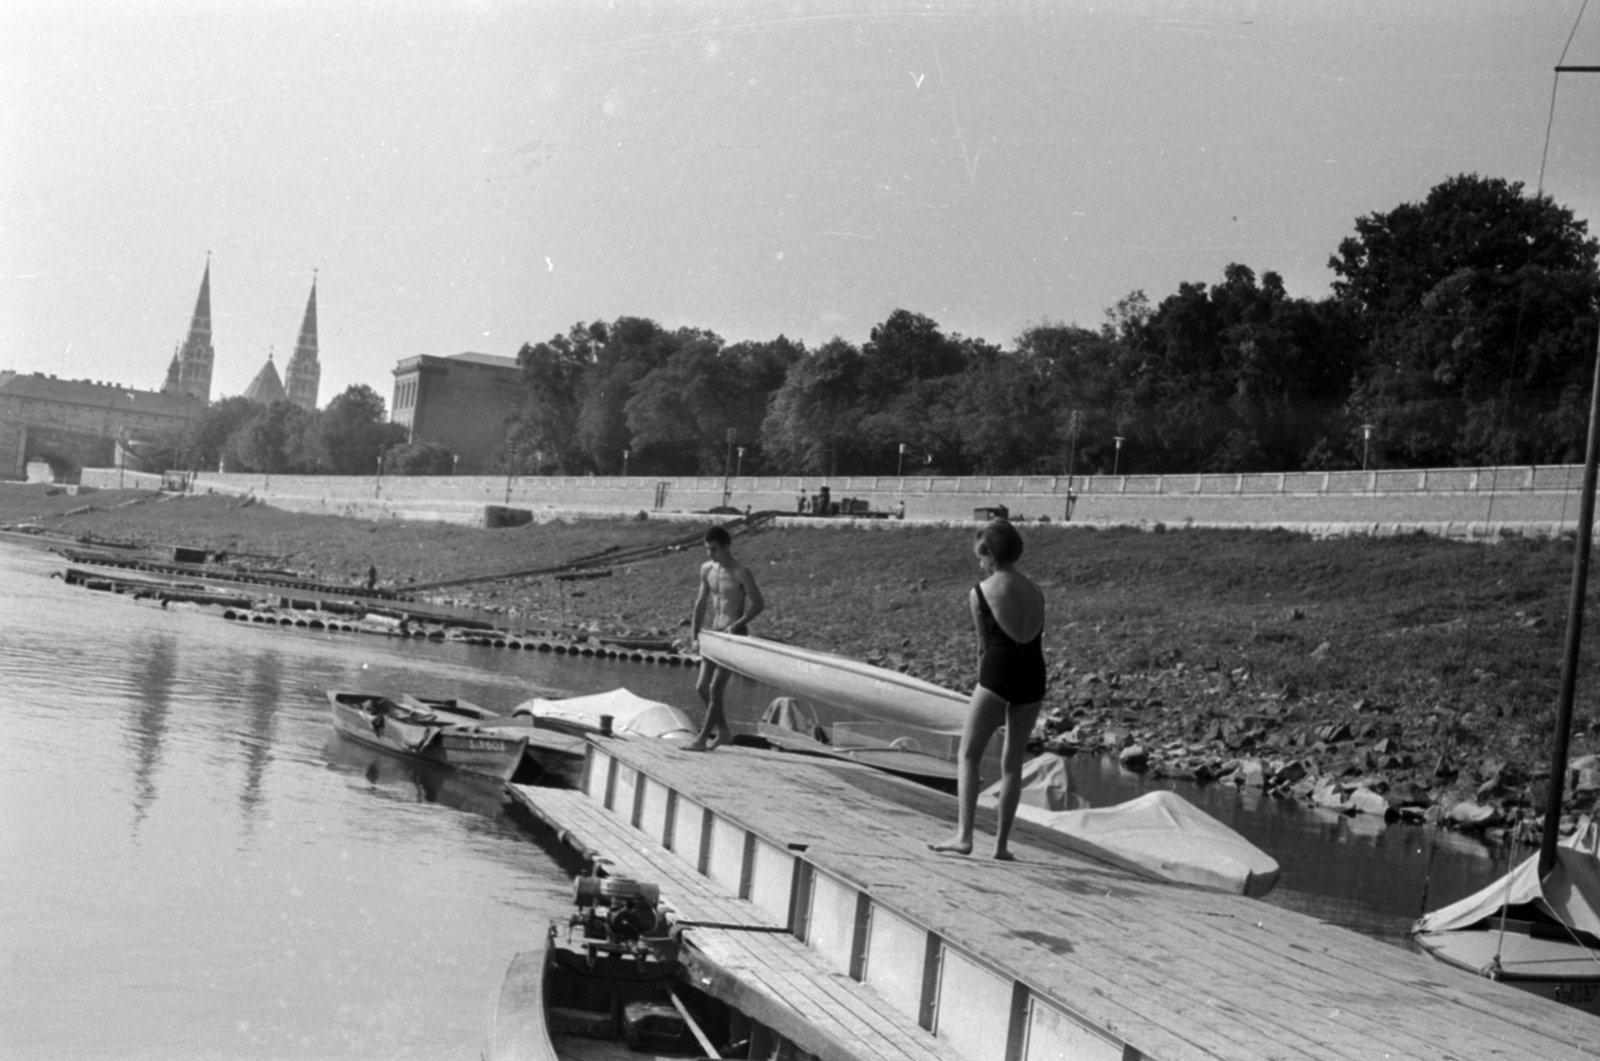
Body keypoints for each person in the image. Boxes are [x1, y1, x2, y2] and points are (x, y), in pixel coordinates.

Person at [931, 519, 1047, 861]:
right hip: (1033, 673)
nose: (979, 564)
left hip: (999, 671)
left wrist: (982, 686)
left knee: (969, 755)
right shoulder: (1036, 590)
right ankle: (1001, 846)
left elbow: (984, 647)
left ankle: (964, 836)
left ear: (989, 554)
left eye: (980, 557)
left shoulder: (981, 591)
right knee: (1013, 764)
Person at [686, 526, 764, 751]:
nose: (710, 553)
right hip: (713, 633)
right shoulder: (707, 569)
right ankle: (724, 732)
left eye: (714, 549)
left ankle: (702, 739)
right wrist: (695, 635)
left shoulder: (741, 572)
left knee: (715, 688)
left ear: (727, 546)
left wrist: (738, 624)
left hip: (733, 635)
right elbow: (700, 603)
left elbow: (759, 604)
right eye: (707, 549)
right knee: (702, 687)